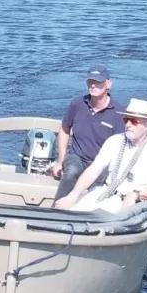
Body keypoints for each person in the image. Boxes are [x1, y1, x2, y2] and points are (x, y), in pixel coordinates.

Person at [56, 98, 147, 212]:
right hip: (105, 193)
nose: (128, 125)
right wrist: (72, 196)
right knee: (72, 210)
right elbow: (93, 171)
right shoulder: (114, 141)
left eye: (134, 121)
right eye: (126, 120)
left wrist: (136, 195)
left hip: (134, 202)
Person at [52, 65, 126, 201]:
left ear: (108, 84)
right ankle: (57, 210)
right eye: (90, 82)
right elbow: (64, 130)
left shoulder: (118, 113)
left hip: (101, 163)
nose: (93, 86)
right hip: (77, 157)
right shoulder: (77, 104)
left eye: (98, 82)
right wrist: (60, 160)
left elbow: (121, 147)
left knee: (98, 184)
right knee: (71, 172)